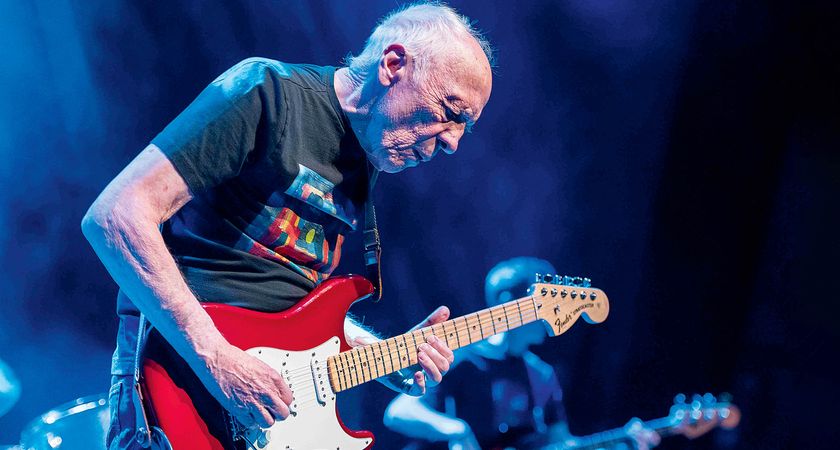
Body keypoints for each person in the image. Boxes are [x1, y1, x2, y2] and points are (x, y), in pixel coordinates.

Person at [81, 3, 493, 449]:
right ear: (393, 65)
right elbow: (116, 215)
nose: (452, 142)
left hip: (264, 416)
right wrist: (216, 357)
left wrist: (383, 357)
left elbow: (293, 305)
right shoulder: (268, 92)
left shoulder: (366, 162)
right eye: (450, 110)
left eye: (465, 129)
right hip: (177, 387)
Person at [384, 257, 662, 450]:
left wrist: (621, 441)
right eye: (547, 300)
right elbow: (399, 410)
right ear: (509, 304)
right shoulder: (464, 357)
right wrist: (456, 430)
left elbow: (561, 444)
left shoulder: (542, 374)